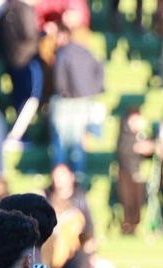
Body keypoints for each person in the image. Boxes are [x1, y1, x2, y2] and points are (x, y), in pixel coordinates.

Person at [49, 22, 106, 178]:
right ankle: (78, 178)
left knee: (60, 146)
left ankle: (59, 179)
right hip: (84, 102)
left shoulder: (63, 53)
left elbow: (59, 80)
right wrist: (93, 90)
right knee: (78, 146)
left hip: (65, 103)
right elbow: (100, 71)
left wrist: (64, 92)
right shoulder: (89, 53)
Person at [115, 105, 155, 235]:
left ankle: (136, 224)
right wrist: (136, 147)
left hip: (138, 171)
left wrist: (149, 148)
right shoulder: (124, 134)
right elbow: (122, 150)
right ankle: (127, 224)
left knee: (138, 200)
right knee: (128, 199)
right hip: (126, 171)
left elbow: (150, 150)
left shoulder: (142, 134)